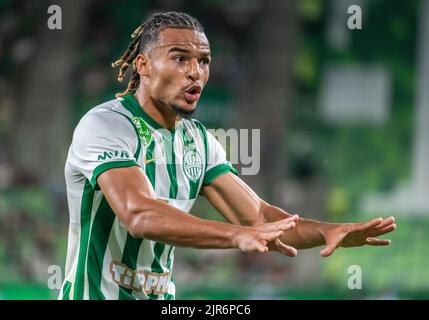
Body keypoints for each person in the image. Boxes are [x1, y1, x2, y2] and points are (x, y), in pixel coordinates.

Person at [59, 11, 396, 300]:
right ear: (143, 65)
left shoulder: (199, 141)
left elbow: (259, 219)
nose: (195, 72)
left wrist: (326, 231)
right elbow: (139, 214)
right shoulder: (105, 124)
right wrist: (236, 236)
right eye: (180, 58)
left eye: (203, 61)